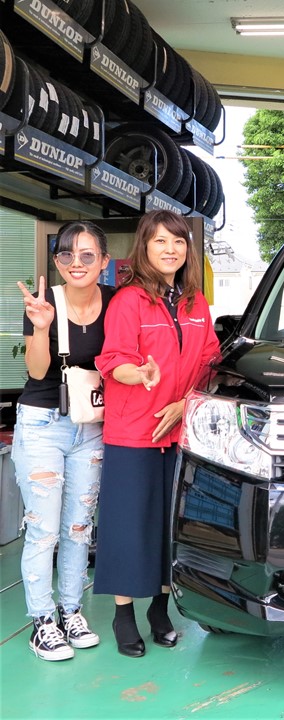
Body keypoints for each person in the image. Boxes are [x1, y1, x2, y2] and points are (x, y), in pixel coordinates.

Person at [93, 210, 220, 657]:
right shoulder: (128, 301)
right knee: (129, 526)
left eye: (178, 241)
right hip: (134, 432)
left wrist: (185, 404)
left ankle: (160, 610)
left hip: (181, 431)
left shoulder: (195, 303)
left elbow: (210, 362)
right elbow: (114, 360)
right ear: (144, 247)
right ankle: (124, 613)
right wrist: (140, 374)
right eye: (161, 241)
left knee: (170, 525)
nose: (171, 249)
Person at [12, 221, 114, 661]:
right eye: (67, 254)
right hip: (43, 423)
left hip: (91, 425)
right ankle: (42, 622)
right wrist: (41, 327)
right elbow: (37, 372)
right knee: (44, 529)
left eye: (87, 255)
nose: (77, 262)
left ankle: (71, 611)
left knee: (78, 527)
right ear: (57, 261)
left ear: (104, 261)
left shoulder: (115, 302)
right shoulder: (44, 301)